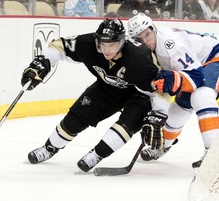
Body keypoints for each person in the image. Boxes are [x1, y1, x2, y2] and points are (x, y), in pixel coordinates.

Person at [20, 18, 177, 173]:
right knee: (77, 116)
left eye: (112, 45)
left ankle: (96, 155)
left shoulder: (139, 59)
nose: (107, 50)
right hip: (107, 87)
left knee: (127, 123)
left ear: (122, 42)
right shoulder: (89, 43)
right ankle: (49, 148)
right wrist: (39, 64)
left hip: (140, 94)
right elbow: (59, 45)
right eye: (103, 44)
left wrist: (157, 116)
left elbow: (160, 89)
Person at [127, 13, 219, 167]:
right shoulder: (144, 51)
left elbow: (196, 77)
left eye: (147, 34)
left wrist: (171, 81)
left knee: (201, 96)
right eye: (140, 39)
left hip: (217, 58)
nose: (145, 41)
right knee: (178, 111)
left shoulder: (169, 45)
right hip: (193, 68)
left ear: (153, 29)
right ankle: (162, 145)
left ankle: (215, 152)